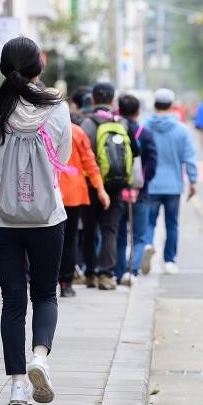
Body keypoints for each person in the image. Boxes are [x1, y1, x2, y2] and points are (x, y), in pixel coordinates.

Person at [0, 36, 72, 405]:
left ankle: (18, 384)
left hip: (0, 217)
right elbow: (61, 161)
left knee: (12, 301)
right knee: (46, 293)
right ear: (39, 68)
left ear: (3, 67)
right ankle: (40, 358)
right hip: (48, 217)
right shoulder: (58, 110)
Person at [79, 82, 140, 291]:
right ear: (113, 100)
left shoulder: (85, 125)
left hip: (90, 186)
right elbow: (135, 152)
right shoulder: (122, 123)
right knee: (110, 230)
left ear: (93, 100)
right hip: (116, 185)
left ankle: (90, 274)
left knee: (89, 230)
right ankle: (106, 274)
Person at [144, 88, 199, 275]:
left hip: (150, 183)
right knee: (172, 224)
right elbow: (189, 157)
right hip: (173, 185)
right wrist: (193, 181)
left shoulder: (146, 127)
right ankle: (169, 261)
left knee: (149, 222)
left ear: (154, 105)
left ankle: (147, 245)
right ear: (172, 105)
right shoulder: (181, 130)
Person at [58, 122, 110, 297]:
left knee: (45, 239)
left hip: (48, 192)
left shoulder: (39, 126)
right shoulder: (76, 131)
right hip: (73, 192)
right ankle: (66, 284)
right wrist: (100, 189)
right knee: (70, 239)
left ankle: (45, 282)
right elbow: (90, 162)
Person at [114, 94, 158, 285]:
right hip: (139, 193)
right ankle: (133, 272)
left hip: (116, 190)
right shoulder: (145, 133)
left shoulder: (114, 129)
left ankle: (119, 272)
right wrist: (142, 183)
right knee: (139, 236)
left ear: (119, 110)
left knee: (120, 234)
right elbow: (153, 163)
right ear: (138, 111)